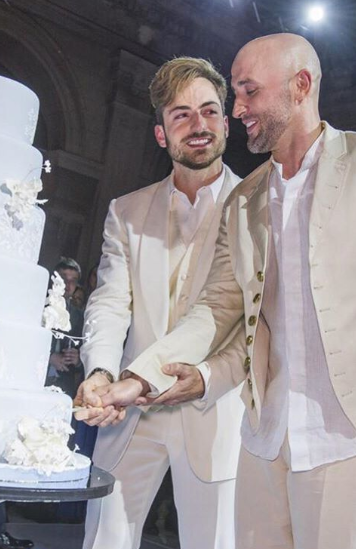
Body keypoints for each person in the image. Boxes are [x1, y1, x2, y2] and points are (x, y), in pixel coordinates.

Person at [89, 33, 356, 549]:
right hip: (263, 438)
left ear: (300, 86)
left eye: (247, 92)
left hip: (351, 437)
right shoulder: (247, 200)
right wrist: (138, 379)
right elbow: (219, 309)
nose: (238, 109)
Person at [74, 57, 244, 549]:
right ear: (160, 134)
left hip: (214, 408)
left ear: (226, 124)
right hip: (127, 412)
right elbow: (109, 302)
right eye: (181, 115)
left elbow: (231, 314)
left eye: (210, 112)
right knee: (102, 541)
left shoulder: (258, 208)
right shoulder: (125, 212)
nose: (198, 126)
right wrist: (101, 373)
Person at [46, 257, 84, 398]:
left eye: (73, 281)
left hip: (64, 385)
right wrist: (49, 357)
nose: (68, 285)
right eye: (63, 278)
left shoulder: (79, 316)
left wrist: (78, 360)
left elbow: (86, 350)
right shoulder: (38, 306)